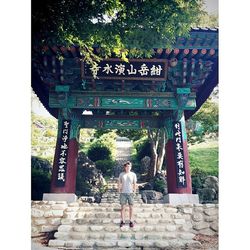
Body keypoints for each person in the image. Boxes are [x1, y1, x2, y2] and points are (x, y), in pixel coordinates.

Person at [118, 161, 137, 228]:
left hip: (130, 193)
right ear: (125, 167)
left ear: (131, 167)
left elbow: (134, 183)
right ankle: (122, 221)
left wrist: (134, 191)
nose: (128, 168)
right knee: (122, 207)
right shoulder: (121, 174)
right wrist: (119, 190)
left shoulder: (133, 174)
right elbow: (119, 183)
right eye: (127, 166)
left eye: (129, 166)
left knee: (131, 207)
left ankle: (131, 221)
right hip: (123, 193)